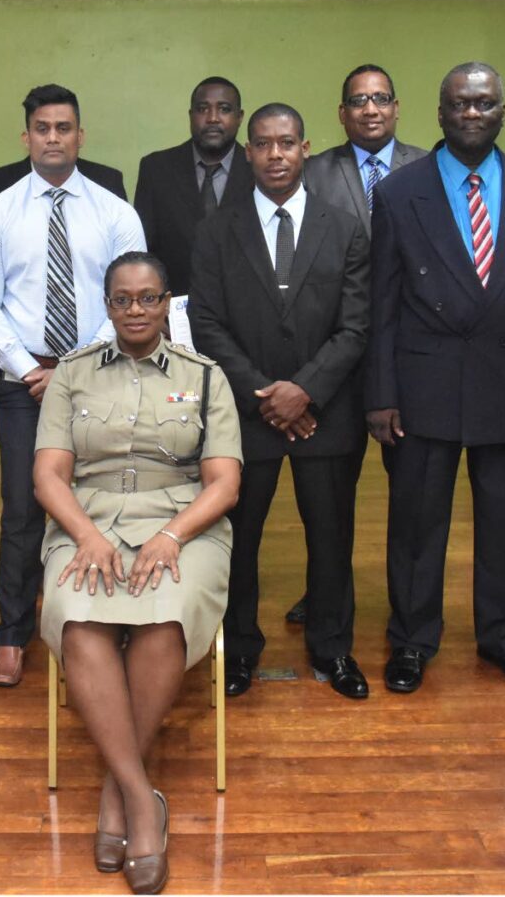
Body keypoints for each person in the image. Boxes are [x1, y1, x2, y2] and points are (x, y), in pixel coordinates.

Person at [366, 62, 505, 693]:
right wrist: (380, 395)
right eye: (460, 104)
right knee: (416, 525)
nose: (472, 114)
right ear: (438, 113)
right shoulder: (398, 191)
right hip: (421, 388)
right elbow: (381, 302)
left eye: (485, 104)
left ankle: (502, 639)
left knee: (502, 521)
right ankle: (411, 641)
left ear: (501, 112)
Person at [34, 252, 242, 895]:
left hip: (184, 525)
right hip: (85, 521)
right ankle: (138, 796)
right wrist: (89, 537)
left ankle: (115, 789)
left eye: (148, 298)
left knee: (165, 617)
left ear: (166, 301)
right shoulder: (71, 375)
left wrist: (172, 535)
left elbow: (225, 482)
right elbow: (48, 475)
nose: (135, 310)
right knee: (79, 620)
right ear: (106, 304)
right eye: (122, 299)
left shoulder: (205, 376)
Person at [0, 83, 146, 688]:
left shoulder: (114, 211)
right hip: (24, 381)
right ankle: (13, 633)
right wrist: (27, 368)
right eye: (42, 128)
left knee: (101, 500)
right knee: (24, 506)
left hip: (104, 375)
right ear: (27, 137)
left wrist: (76, 369)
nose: (53, 138)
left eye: (64, 128)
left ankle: (99, 625)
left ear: (80, 135)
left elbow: (130, 296)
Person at [189, 103, 370, 700]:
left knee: (331, 538)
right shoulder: (218, 227)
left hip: (326, 413)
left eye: (286, 143)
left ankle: (332, 649)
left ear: (306, 148)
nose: (275, 155)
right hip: (247, 412)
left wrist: (306, 390)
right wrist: (266, 393)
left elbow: (355, 326)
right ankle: (239, 650)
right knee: (239, 539)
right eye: (263, 144)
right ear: (248, 153)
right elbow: (208, 323)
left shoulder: (343, 227)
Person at [283, 64, 426, 626]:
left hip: (409, 359)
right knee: (329, 499)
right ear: (341, 114)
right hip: (335, 359)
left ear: (396, 107)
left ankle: (408, 605)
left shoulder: (429, 169)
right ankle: (326, 594)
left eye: (381, 98)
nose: (371, 109)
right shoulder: (312, 172)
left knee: (412, 494)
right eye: (358, 101)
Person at [134, 76, 254, 296]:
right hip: (174, 314)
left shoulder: (257, 170)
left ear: (240, 117)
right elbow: (144, 252)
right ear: (191, 116)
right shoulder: (156, 169)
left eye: (224, 109)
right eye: (202, 109)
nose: (212, 118)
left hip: (247, 312)